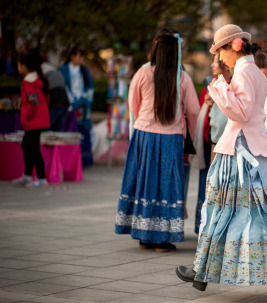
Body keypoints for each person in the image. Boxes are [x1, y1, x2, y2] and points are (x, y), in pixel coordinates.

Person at [176, 24, 267, 298]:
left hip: (240, 155)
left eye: (219, 51)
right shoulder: (252, 70)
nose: (219, 58)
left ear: (233, 46)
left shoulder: (243, 71)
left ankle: (203, 270)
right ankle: (202, 270)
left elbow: (240, 112)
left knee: (225, 211)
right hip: (248, 151)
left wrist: (217, 87)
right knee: (244, 212)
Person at [115, 28, 199, 253]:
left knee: (144, 183)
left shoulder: (142, 74)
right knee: (167, 186)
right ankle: (162, 239)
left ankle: (144, 236)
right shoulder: (182, 77)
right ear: (176, 52)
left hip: (144, 136)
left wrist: (143, 123)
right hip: (171, 138)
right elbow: (193, 111)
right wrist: (191, 135)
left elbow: (133, 105)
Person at [193, 55, 231, 234]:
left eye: (215, 61)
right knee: (209, 186)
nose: (212, 65)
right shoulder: (213, 84)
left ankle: (215, 229)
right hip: (213, 141)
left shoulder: (229, 85)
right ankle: (204, 227)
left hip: (224, 142)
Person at [12, 53, 50, 188]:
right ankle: (28, 175)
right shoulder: (39, 81)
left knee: (33, 149)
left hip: (34, 121)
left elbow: (32, 102)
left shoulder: (29, 83)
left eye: (18, 64)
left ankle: (41, 179)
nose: (18, 67)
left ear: (24, 66)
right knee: (27, 146)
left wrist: (25, 118)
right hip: (39, 120)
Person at [60, 48, 95, 167]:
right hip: (70, 106)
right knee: (71, 132)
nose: (82, 59)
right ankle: (69, 161)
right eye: (80, 56)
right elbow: (64, 87)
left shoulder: (83, 70)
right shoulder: (63, 70)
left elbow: (90, 86)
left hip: (83, 107)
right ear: (72, 56)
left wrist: (84, 99)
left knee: (83, 132)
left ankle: (84, 161)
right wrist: (73, 101)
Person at [41, 61, 70, 131]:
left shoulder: (43, 72)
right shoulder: (56, 71)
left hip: (56, 103)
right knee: (58, 131)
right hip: (65, 103)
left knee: (46, 127)